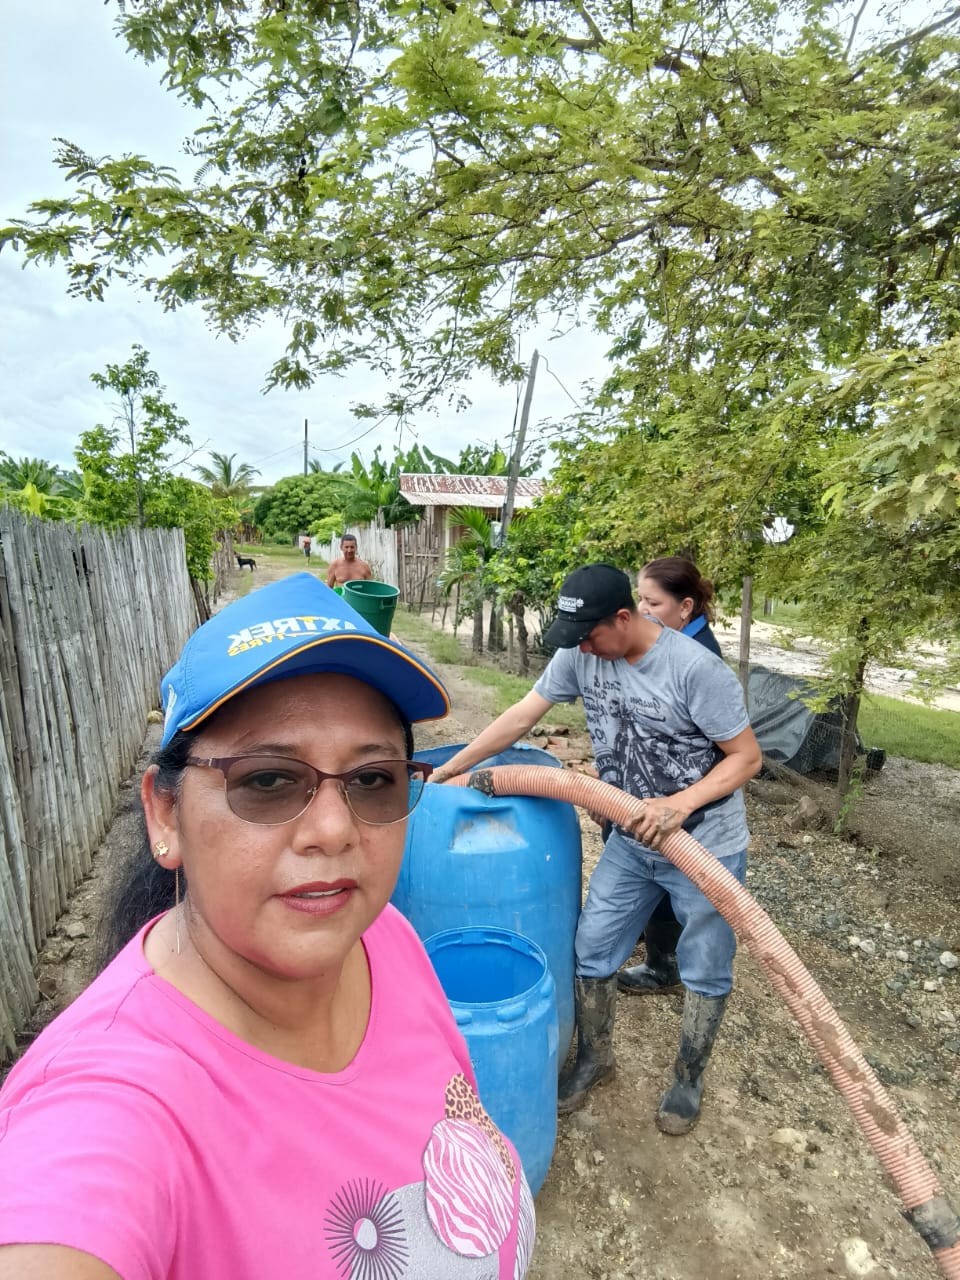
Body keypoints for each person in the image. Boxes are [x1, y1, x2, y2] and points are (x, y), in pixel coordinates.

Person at [0, 574, 535, 1280]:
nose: (334, 830)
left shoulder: (383, 939)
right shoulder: (114, 1109)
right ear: (165, 815)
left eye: (373, 779)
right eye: (267, 780)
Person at [431, 563, 761, 1135]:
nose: (581, 648)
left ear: (624, 618)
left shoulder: (694, 670)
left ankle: (688, 1076)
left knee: (706, 966)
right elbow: (523, 714)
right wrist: (450, 770)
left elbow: (746, 757)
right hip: (631, 841)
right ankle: (596, 1058)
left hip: (704, 843)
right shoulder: (580, 653)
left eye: (589, 636)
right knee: (594, 946)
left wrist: (679, 804)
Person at [618, 556, 724, 996]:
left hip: (686, 797)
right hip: (653, 785)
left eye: (653, 603)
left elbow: (724, 751)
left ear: (685, 607)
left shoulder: (700, 659)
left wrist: (680, 801)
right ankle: (644, 935)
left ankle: (663, 966)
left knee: (667, 874)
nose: (643, 611)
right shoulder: (666, 643)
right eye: (639, 600)